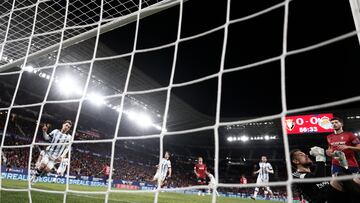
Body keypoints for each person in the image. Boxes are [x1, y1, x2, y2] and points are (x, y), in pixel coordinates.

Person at [291, 147, 360, 203]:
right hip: (324, 200)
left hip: (338, 197)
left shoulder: (318, 170)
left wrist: (342, 161)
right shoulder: (296, 175)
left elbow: (348, 178)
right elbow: (318, 179)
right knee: (339, 177)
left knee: (356, 178)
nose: (306, 155)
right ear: (296, 161)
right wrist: (319, 157)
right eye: (301, 155)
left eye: (305, 154)